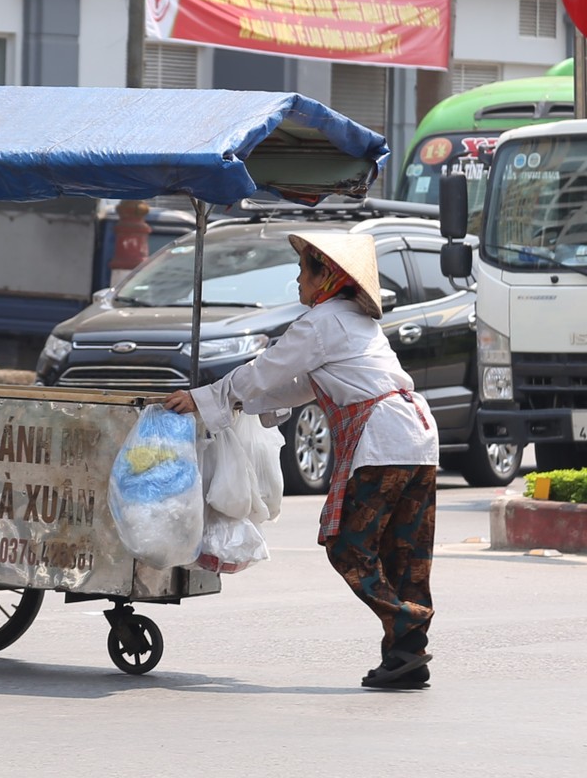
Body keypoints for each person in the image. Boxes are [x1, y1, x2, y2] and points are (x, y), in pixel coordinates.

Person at [163, 230, 440, 690]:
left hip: (386, 441)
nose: (296, 280)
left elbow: (265, 371)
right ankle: (406, 657)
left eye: (302, 270)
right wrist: (233, 404)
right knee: (405, 552)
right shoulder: (353, 322)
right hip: (417, 438)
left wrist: (204, 399)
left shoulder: (323, 322)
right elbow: (298, 386)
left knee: (347, 545)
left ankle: (407, 623)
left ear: (326, 276)